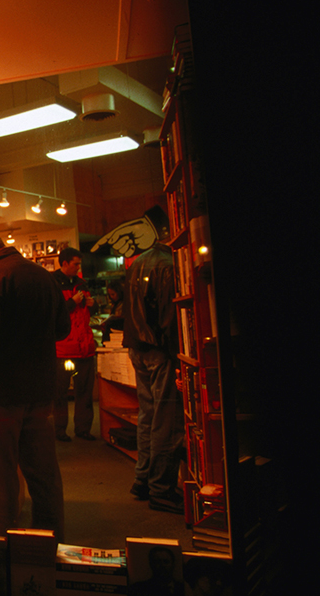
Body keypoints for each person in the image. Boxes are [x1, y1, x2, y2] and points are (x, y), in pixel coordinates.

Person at [0, 228, 71, 540]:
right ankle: (50, 548)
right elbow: (62, 329)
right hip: (40, 391)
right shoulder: (44, 276)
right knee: (44, 476)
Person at [122, 207, 184, 513]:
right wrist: (178, 354)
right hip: (160, 349)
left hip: (137, 348)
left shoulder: (137, 263)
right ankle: (161, 488)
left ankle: (143, 480)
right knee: (167, 420)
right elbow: (170, 318)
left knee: (147, 416)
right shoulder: (169, 264)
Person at [52, 247, 98, 442]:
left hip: (84, 346)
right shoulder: (52, 283)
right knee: (59, 393)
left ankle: (83, 429)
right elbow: (52, 312)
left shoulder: (82, 283)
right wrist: (71, 302)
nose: (79, 268)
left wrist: (92, 305)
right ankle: (59, 430)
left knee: (85, 393)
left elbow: (88, 315)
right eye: (75, 264)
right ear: (64, 264)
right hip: (62, 348)